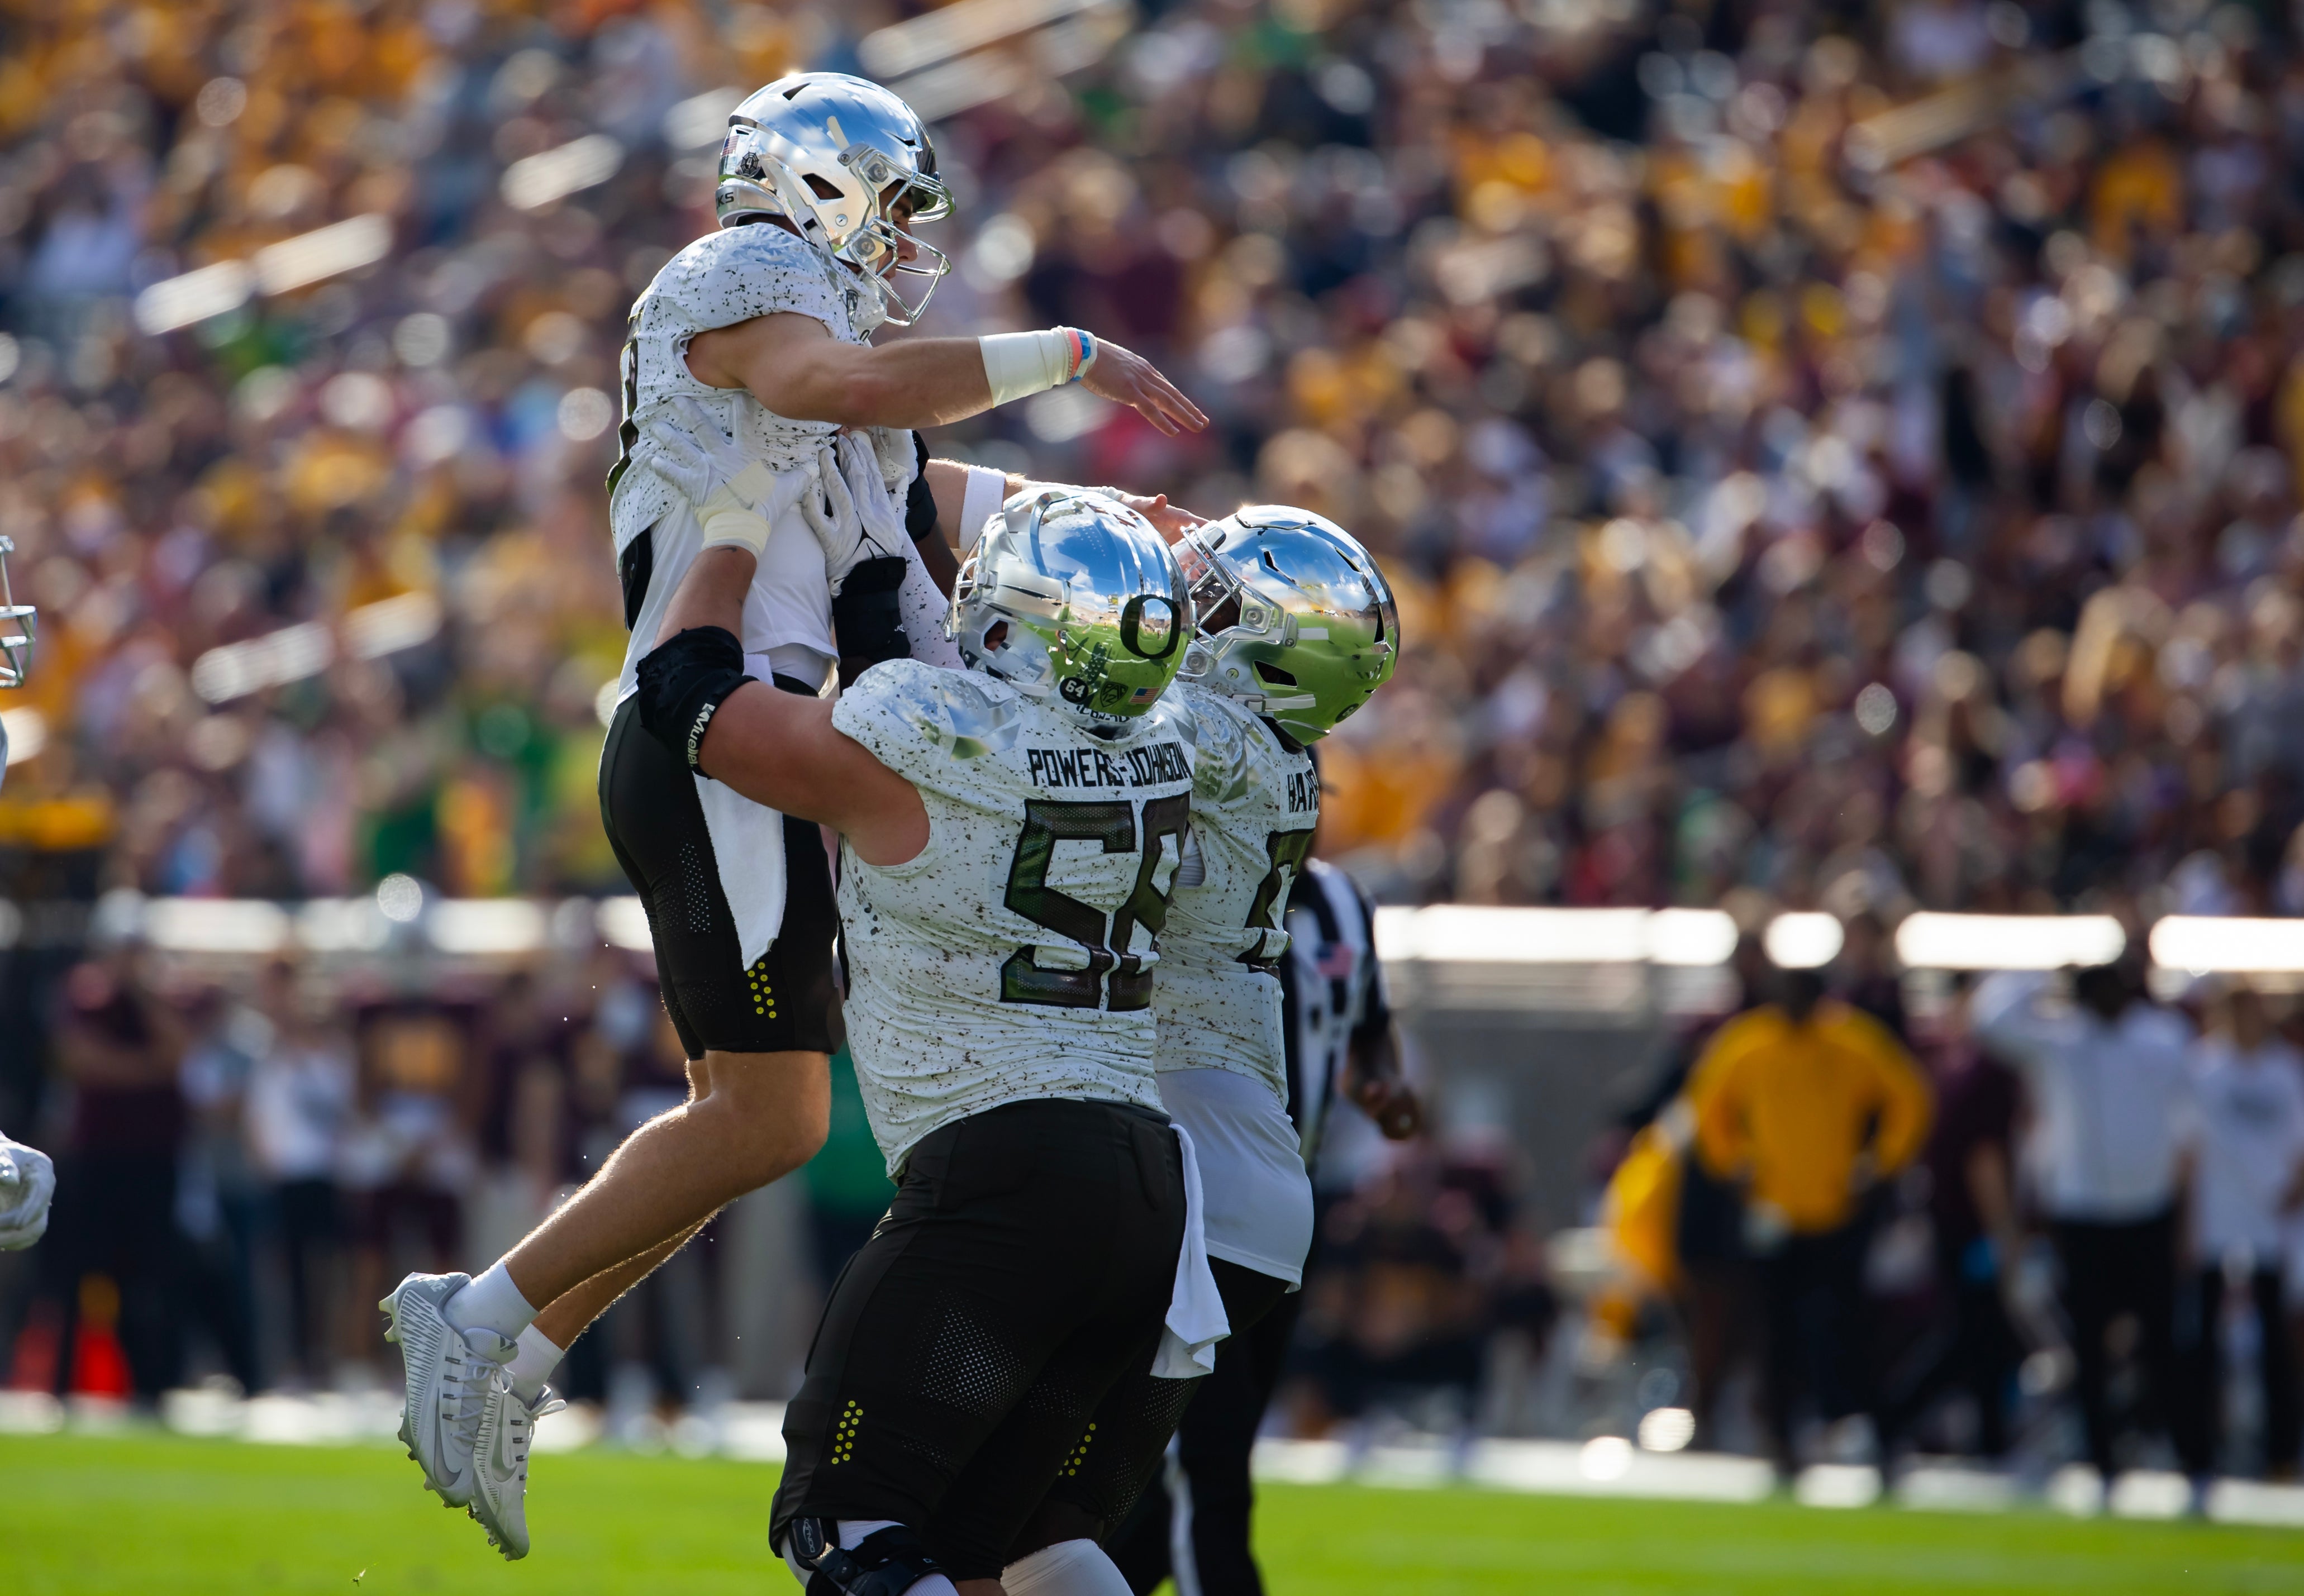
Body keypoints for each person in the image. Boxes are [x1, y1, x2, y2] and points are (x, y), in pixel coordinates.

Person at [378, 71, 1206, 1561]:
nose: (902, 245)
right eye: (892, 210)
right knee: (770, 1113)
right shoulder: (746, 281)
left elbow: (903, 472)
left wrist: (1085, 515)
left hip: (764, 729)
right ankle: (485, 1311)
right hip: (710, 722)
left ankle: (524, 1343)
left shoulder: (825, 350)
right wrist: (1067, 351)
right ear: (817, 189)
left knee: (761, 1114)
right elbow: (841, 398)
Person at [645, 486, 1208, 1596]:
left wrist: (735, 525)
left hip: (1002, 1173)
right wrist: (881, 528)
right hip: (1147, 1185)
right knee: (1007, 1548)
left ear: (1006, 622)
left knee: (851, 1529)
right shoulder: (1167, 744)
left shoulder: (933, 737)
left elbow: (685, 693)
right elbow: (932, 674)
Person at [992, 508, 1401, 1595]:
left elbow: (1038, 707)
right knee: (1042, 1523)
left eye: (1214, 602)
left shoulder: (1209, 740)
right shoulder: (1273, 753)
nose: (1183, 606)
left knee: (1024, 1496)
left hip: (1186, 1188)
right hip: (1232, 1180)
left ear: (1268, 645)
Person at [1105, 844, 1420, 1596]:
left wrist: (1382, 1080)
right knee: (1205, 1462)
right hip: (1192, 1206)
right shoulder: (1192, 882)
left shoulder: (1345, 902)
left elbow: (1369, 1020)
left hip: (1286, 1206)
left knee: (1197, 1465)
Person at [1687, 965, 1934, 1472]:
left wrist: (1880, 1162)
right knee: (1774, 1334)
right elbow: (1707, 1109)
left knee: (1846, 1327)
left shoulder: (1851, 1040)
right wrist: (1734, 1163)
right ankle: (1781, 1440)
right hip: (1773, 1213)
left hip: (1836, 1207)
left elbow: (1910, 1100)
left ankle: (1872, 1435)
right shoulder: (1748, 1043)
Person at [1973, 965, 2196, 1485]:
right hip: (2082, 1212)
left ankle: (2186, 1451)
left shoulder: (2160, 1038)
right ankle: (2101, 1457)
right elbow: (1990, 1018)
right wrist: (2046, 972)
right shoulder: (2061, 1039)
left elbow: (2189, 1123)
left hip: (2148, 1207)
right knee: (2089, 1343)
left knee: (2161, 1340)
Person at [1877, 975, 2025, 1464]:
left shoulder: (1963, 1068)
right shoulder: (1989, 1075)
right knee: (1971, 1336)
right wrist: (2005, 1236)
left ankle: (1990, 1439)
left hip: (1953, 1222)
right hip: (1969, 1229)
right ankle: (1891, 1417)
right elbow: (1985, 1162)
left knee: (1983, 1338)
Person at [2181, 983, 2304, 1481]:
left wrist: (2292, 1189)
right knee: (2204, 1342)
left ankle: (2280, 1452)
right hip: (2216, 1222)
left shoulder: (2284, 1068)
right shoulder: (2202, 1068)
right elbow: (2186, 1151)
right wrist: (2186, 1228)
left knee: (2277, 1343)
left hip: (2272, 1225)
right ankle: (2201, 1452)